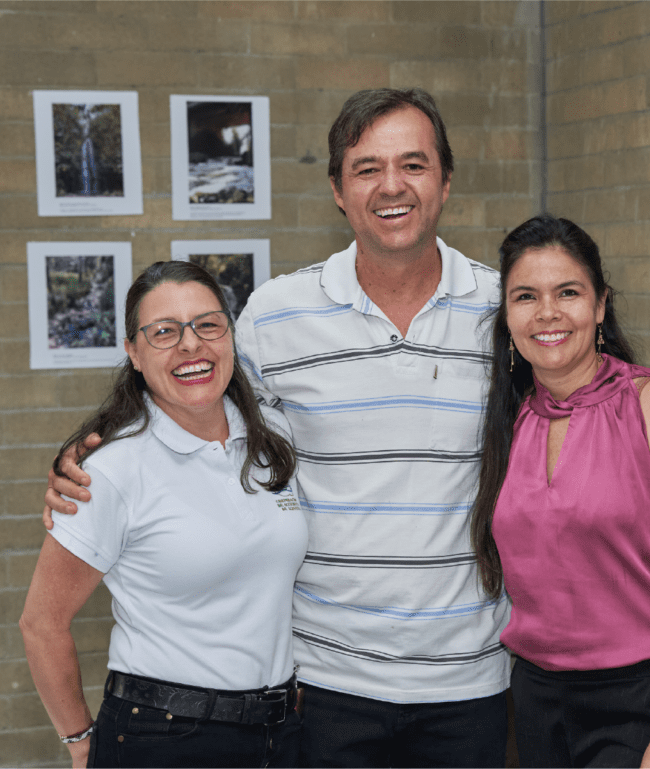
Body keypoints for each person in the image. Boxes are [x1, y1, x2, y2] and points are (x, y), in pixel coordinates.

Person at [45, 88, 510, 768]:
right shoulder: (274, 315)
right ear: (336, 189)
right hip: (326, 686)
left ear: (446, 179)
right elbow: (198, 401)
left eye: (413, 164)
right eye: (366, 167)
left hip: (471, 680)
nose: (392, 186)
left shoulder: (505, 311)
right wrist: (93, 449)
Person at [22, 261, 306, 768]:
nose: (191, 344)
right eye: (164, 332)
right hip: (162, 736)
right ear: (132, 352)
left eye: (207, 324)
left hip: (279, 733)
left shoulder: (273, 441)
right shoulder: (110, 471)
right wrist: (80, 740)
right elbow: (42, 624)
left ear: (230, 335)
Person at [471, 215, 650, 768]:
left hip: (646, 699)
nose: (548, 313)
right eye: (526, 296)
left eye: (568, 293)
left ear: (600, 305)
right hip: (537, 701)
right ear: (507, 316)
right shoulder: (510, 421)